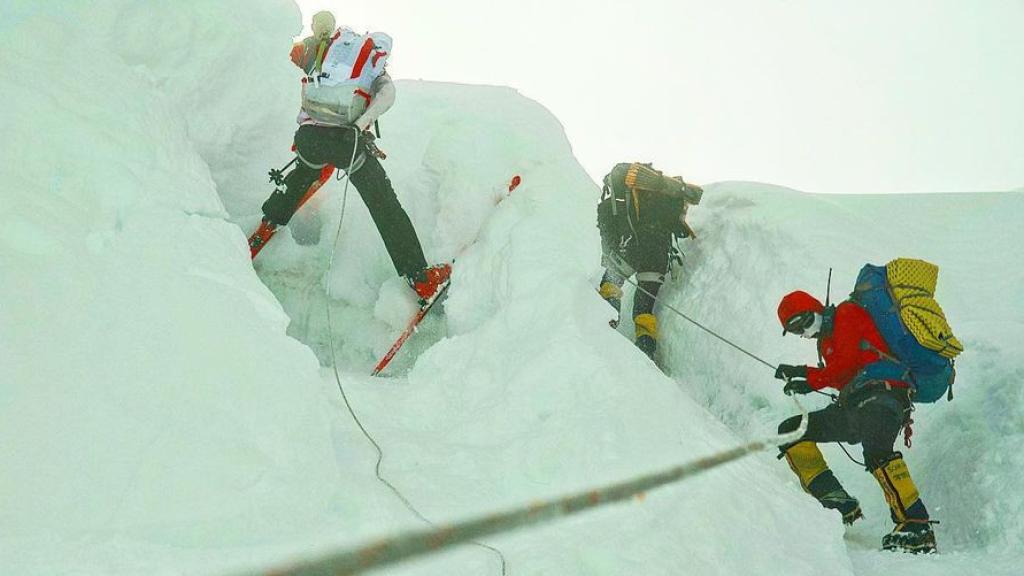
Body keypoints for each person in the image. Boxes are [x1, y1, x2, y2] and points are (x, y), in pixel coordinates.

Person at [258, 11, 449, 303]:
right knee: (384, 203)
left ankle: (268, 223)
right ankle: (420, 278)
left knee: (303, 172)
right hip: (347, 145)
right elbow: (387, 96)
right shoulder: (371, 67)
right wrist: (360, 125)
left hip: (308, 140)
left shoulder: (315, 52)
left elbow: (280, 58)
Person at [774, 289, 936, 554]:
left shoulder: (847, 313)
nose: (802, 332)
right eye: (794, 330)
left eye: (802, 322)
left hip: (884, 395)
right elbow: (841, 375)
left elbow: (847, 363)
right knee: (791, 430)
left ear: (815, 308)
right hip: (856, 405)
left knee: (876, 448)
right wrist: (801, 373)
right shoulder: (826, 341)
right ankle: (837, 502)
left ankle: (917, 525)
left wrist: (810, 379)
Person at [596, 162, 703, 359]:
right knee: (644, 308)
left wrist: (610, 257)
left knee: (610, 283)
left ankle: (603, 330)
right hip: (658, 256)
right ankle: (646, 353)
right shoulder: (660, 198)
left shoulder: (615, 201)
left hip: (632, 247)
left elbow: (607, 230)